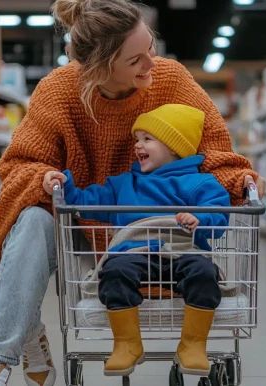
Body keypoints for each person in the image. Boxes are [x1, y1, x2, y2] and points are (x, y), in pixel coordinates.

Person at [0, 0, 266, 385]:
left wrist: (240, 179)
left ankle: (28, 332)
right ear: (99, 67)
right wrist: (45, 177)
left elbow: (214, 150)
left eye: (151, 48)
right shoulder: (58, 92)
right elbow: (20, 165)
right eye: (135, 60)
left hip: (168, 232)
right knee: (31, 217)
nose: (151, 64)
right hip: (82, 228)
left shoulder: (171, 79)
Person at [54, 103, 234, 377]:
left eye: (147, 139)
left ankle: (193, 344)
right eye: (137, 139)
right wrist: (65, 188)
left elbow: (218, 213)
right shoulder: (124, 184)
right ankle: (127, 344)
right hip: (133, 250)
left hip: (182, 250)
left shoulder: (200, 183)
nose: (138, 145)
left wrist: (201, 220)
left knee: (204, 272)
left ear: (174, 147)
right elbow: (88, 201)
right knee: (114, 271)